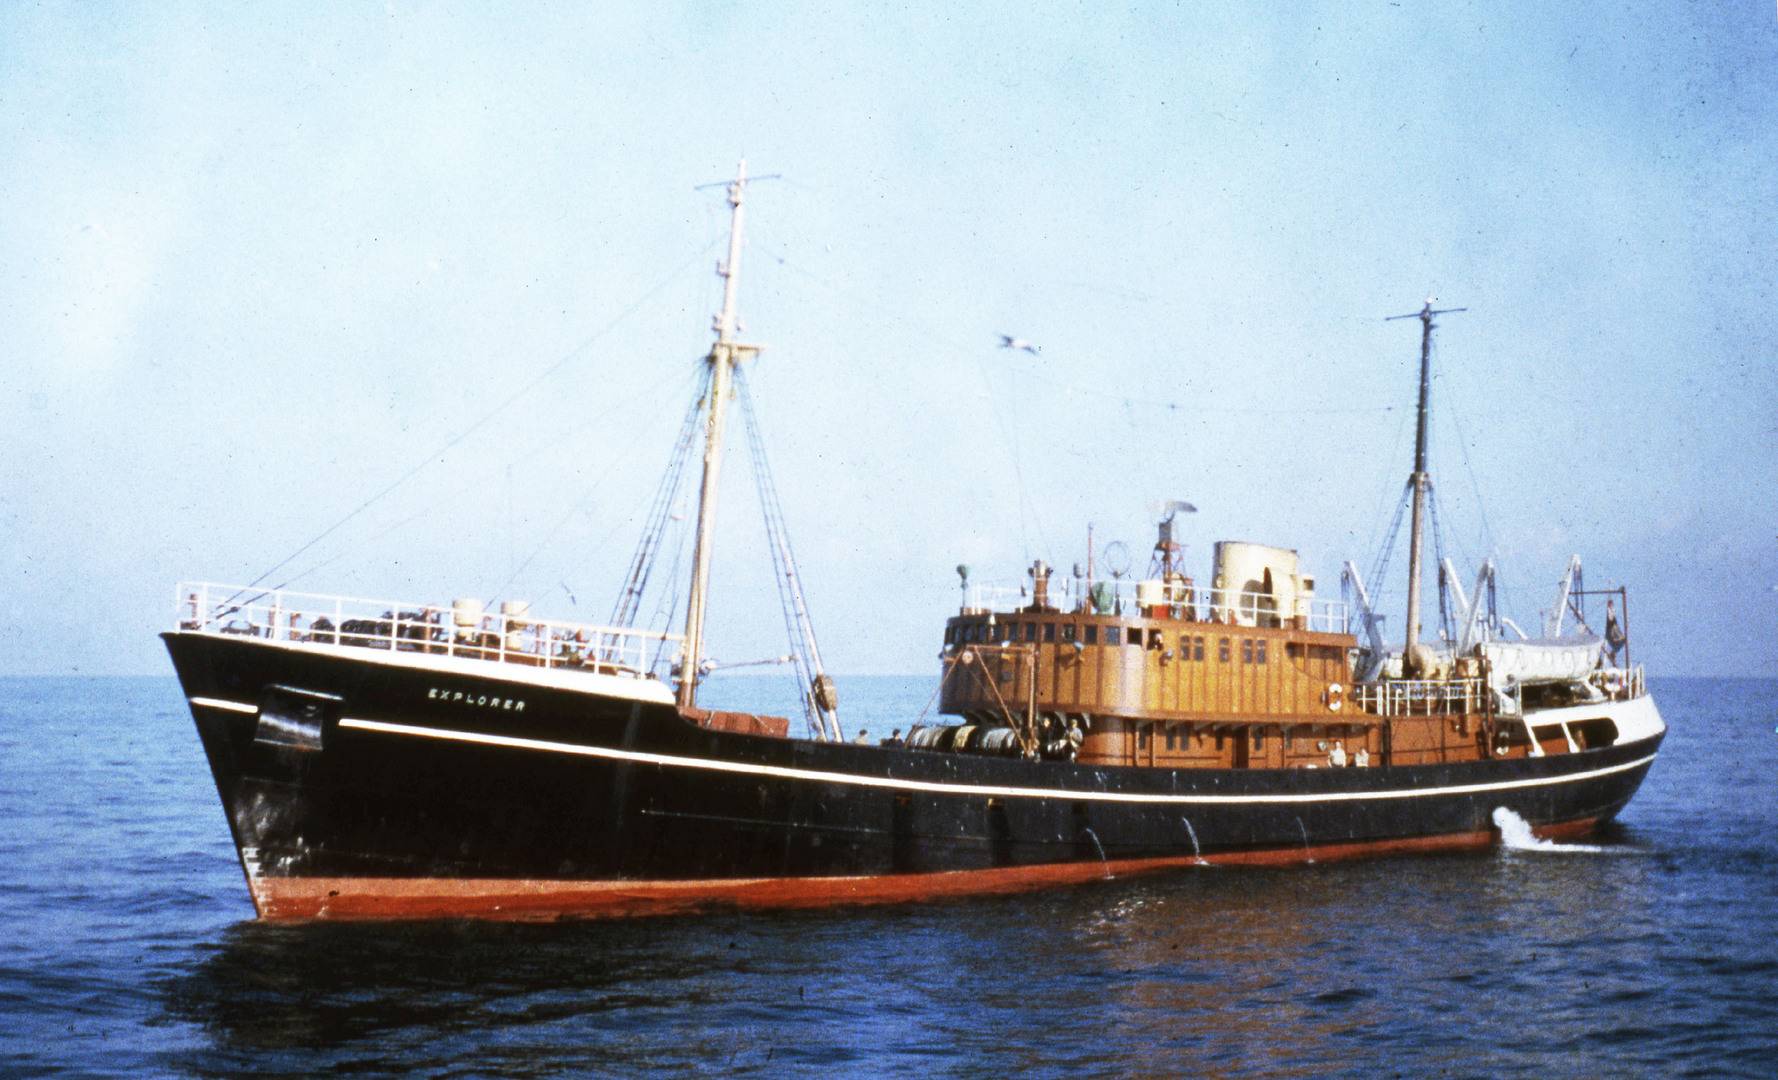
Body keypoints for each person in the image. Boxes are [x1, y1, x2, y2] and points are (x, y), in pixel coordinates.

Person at [1604, 600, 1626, 665]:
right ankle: (1612, 654)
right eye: (1610, 605)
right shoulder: (1609, 612)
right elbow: (1610, 618)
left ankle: (1612, 654)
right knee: (1622, 641)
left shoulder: (1611, 611)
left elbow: (1612, 617)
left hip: (1612, 632)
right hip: (1610, 633)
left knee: (1622, 641)